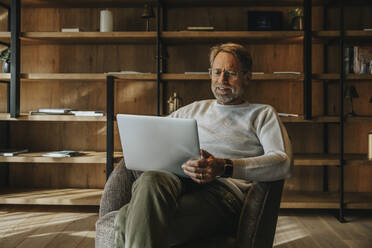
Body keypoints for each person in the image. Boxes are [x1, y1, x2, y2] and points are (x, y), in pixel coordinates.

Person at [114, 43, 292, 248]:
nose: (221, 80)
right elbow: (157, 137)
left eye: (230, 73)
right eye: (217, 72)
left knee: (124, 221)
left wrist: (224, 166)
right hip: (177, 182)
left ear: (247, 76)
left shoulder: (262, 114)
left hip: (222, 193)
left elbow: (282, 162)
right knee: (151, 178)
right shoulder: (191, 110)